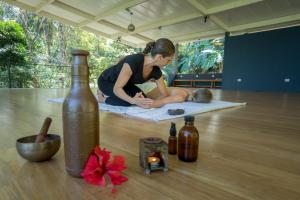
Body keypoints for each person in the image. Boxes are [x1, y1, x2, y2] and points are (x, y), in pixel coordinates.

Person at [97, 38, 175, 108]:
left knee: (144, 99)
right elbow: (117, 89)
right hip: (107, 81)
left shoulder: (156, 71)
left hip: (126, 84)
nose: (170, 62)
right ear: (159, 57)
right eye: (168, 60)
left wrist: (152, 103)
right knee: (126, 102)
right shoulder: (133, 61)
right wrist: (133, 100)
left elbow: (164, 94)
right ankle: (102, 99)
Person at [145, 86, 213, 108]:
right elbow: (161, 102)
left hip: (154, 88)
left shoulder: (188, 91)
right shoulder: (181, 97)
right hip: (148, 93)